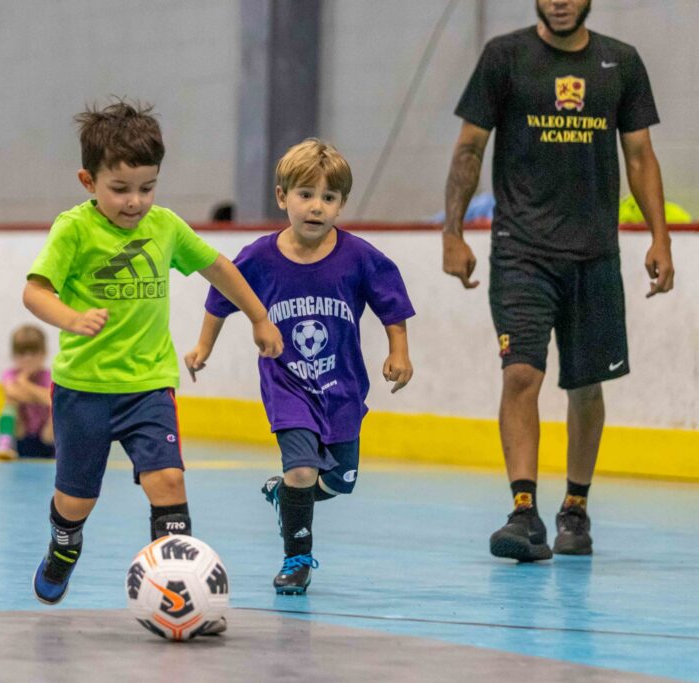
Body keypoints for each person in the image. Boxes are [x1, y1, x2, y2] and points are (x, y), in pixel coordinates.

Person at [24, 99, 282, 615]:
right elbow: (35, 292)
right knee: (77, 500)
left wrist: (258, 316)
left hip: (149, 385)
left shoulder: (164, 227)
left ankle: (176, 592)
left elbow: (218, 269)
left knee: (168, 481)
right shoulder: (73, 229)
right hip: (83, 389)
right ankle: (64, 546)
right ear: (88, 181)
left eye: (147, 187)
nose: (135, 201)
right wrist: (70, 318)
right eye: (120, 189)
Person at [443, 0, 674, 561]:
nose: (560, 1)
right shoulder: (504, 58)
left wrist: (660, 237)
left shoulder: (621, 62)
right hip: (521, 250)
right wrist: (452, 232)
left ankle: (575, 505)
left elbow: (640, 156)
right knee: (521, 372)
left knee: (586, 386)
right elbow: (470, 148)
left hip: (594, 253)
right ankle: (523, 510)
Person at [186, 139, 415, 594]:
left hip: (341, 387)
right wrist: (203, 346)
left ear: (341, 204)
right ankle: (297, 559)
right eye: (305, 195)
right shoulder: (259, 257)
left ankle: (283, 494)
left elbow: (391, 304)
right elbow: (221, 296)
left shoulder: (358, 256)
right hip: (287, 384)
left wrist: (399, 351)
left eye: (329, 198)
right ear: (282, 197)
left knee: (340, 482)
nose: (316, 207)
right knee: (303, 470)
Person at [0, 325, 55, 460]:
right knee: (10, 401)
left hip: (46, 437)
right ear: (14, 355)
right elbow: (11, 393)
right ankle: (5, 442)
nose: (28, 359)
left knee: (57, 407)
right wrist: (40, 396)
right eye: (22, 354)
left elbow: (52, 399)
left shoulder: (49, 376)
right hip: (21, 435)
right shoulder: (10, 374)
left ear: (43, 353)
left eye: (33, 353)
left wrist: (25, 383)